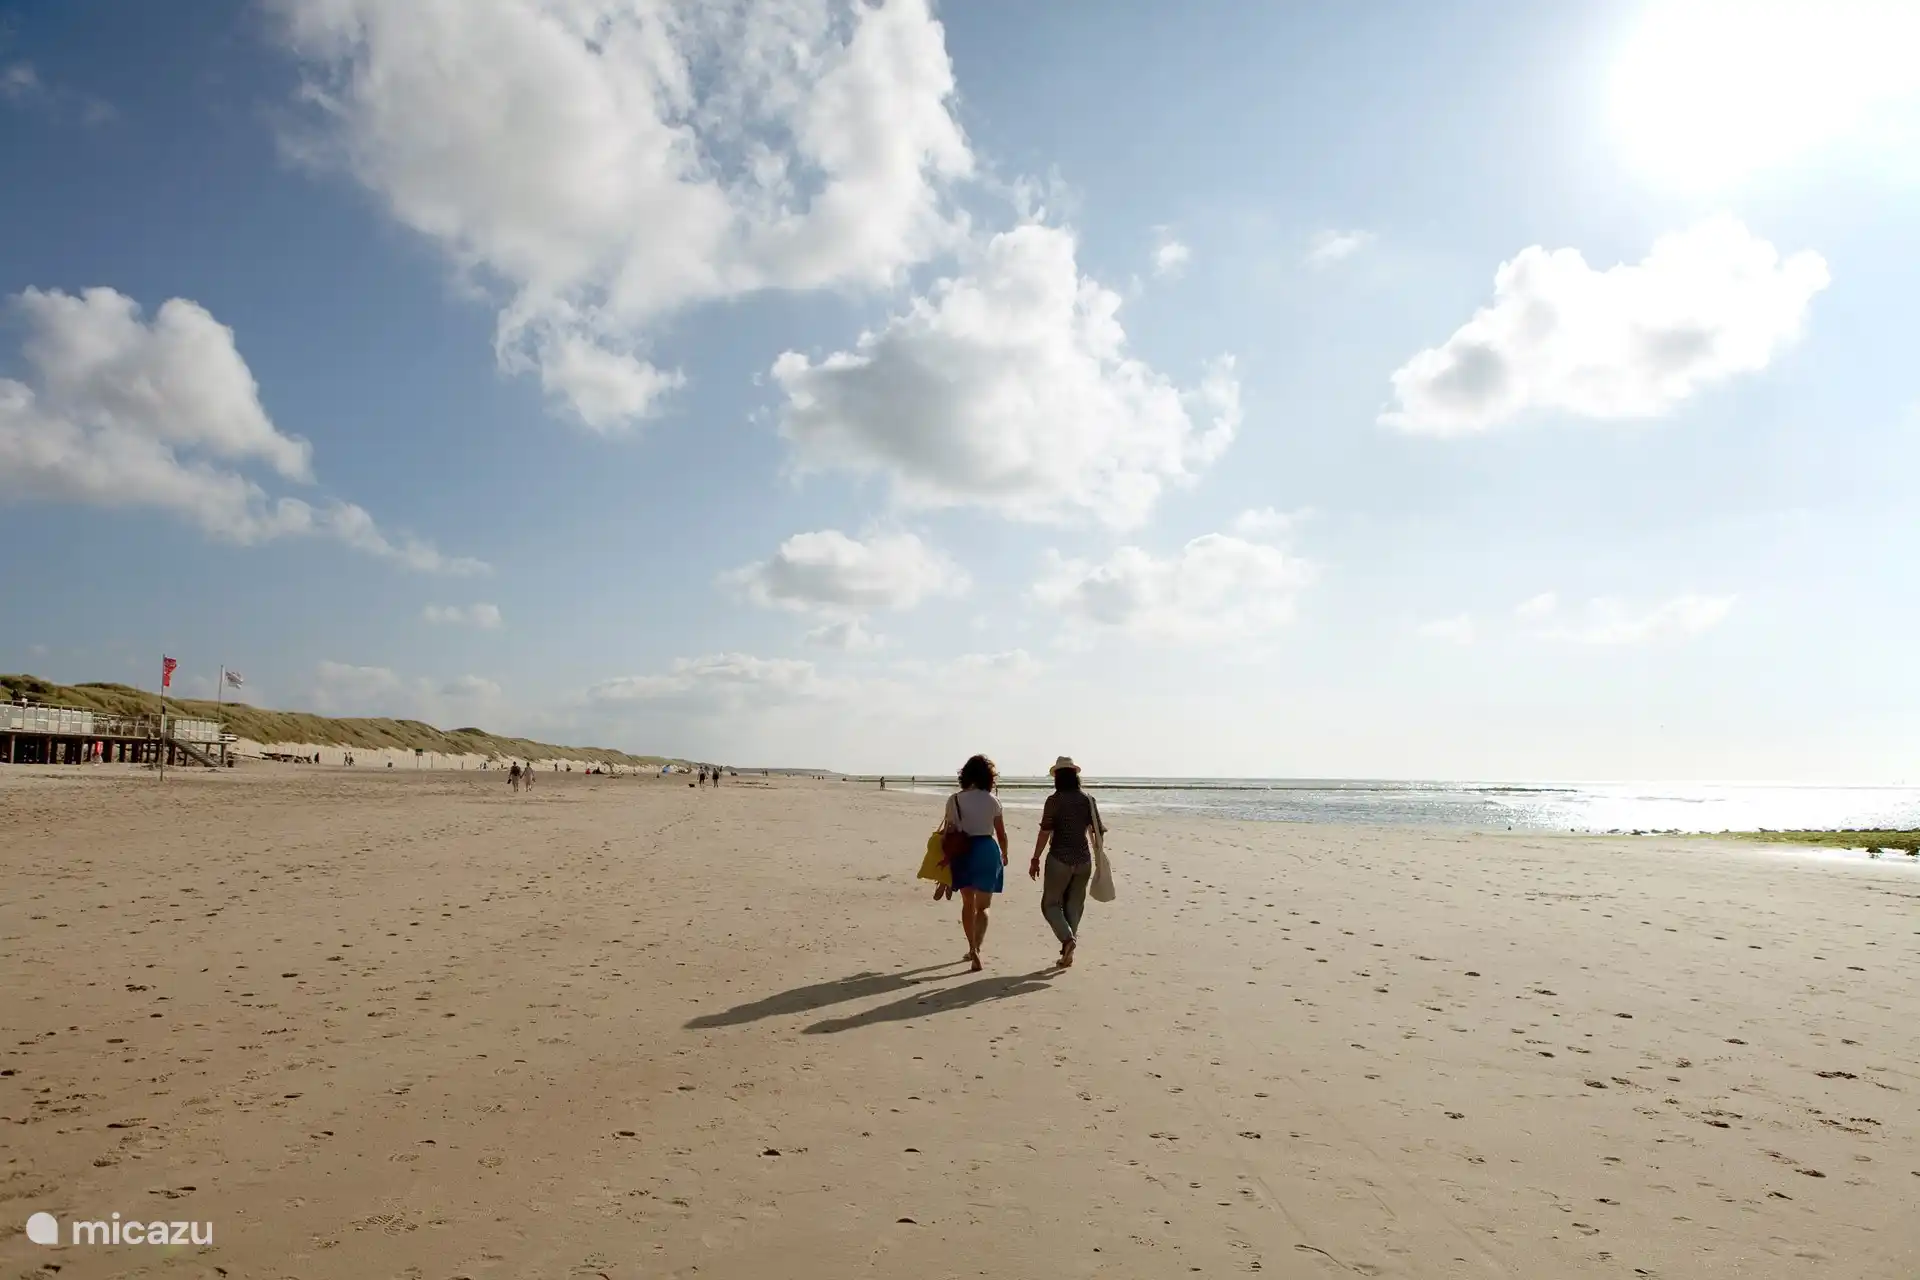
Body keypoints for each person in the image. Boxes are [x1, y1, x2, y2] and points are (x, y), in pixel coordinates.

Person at [1029, 756, 1104, 968]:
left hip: (1059, 858)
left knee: (1050, 904)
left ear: (1057, 778)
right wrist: (1098, 856)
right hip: (1083, 860)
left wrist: (1035, 858)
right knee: (1074, 905)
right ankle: (1067, 953)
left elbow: (1045, 831)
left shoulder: (1054, 801)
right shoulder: (1088, 800)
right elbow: (1098, 831)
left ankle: (1068, 940)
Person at [944, 754, 1010, 972]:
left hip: (963, 851)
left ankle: (971, 947)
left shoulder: (954, 800)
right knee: (983, 907)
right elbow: (1001, 834)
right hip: (987, 850)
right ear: (989, 777)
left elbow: (949, 831)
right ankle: (978, 950)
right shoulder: (993, 801)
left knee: (967, 903)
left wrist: (945, 858)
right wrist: (1005, 854)